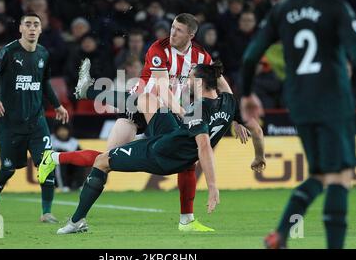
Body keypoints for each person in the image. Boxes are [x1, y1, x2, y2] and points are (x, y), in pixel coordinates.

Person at [56, 13, 248, 232]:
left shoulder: (201, 55)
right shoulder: (159, 49)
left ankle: (187, 220)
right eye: (172, 27)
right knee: (106, 158)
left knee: (186, 162)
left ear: (191, 35)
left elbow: (220, 84)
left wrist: (233, 116)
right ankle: (59, 152)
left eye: (178, 30)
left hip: (168, 112)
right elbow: (163, 90)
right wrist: (187, 115)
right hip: (143, 107)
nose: (172, 33)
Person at [240, 0, 356, 249]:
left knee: (318, 175)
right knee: (340, 176)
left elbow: (249, 57)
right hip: (332, 101)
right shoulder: (335, 7)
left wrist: (247, 93)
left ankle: (280, 235)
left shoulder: (282, 8)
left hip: (299, 103)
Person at [38, 62, 266, 234]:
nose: (186, 82)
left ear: (199, 84)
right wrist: (259, 156)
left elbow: (204, 146)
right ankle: (88, 91)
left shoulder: (199, 108)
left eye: (189, 79)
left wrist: (213, 186)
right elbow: (256, 128)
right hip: (174, 138)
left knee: (102, 161)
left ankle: (76, 220)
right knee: (146, 98)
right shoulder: (229, 102)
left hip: (163, 153)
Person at [0, 13, 69, 223]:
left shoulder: (43, 54)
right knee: (8, 169)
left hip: (37, 122)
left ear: (40, 29)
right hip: (11, 125)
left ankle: (46, 212)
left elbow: (44, 82)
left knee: (47, 164)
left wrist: (57, 105)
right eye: (27, 24)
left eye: (35, 25)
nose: (31, 28)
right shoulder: (8, 52)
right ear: (20, 28)